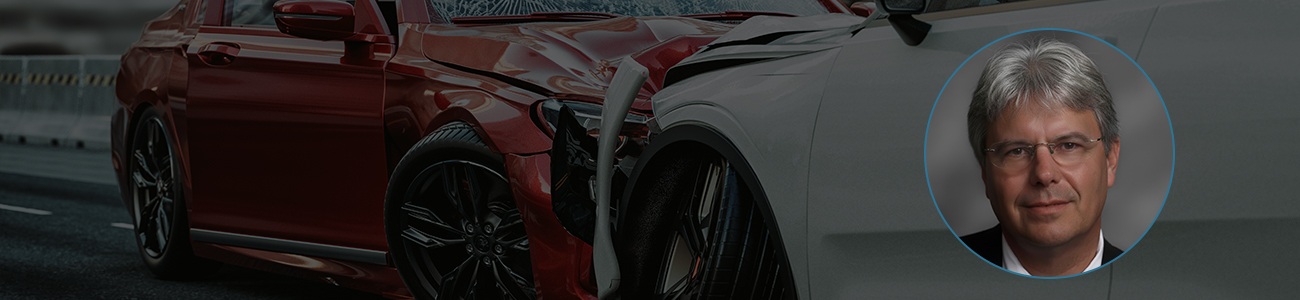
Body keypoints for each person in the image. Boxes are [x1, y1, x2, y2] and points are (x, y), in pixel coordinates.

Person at [962, 38, 1123, 277]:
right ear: (985, 171)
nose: (1044, 174)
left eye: (1069, 145)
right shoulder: (933, 270)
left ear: (1110, 159)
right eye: (1016, 151)